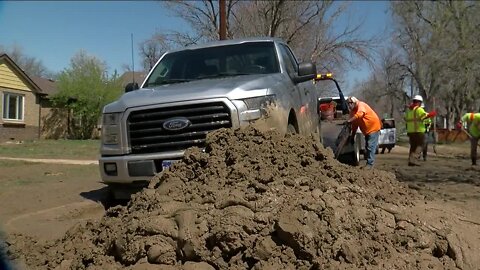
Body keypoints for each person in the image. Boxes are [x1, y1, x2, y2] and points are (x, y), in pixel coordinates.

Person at [345, 96, 382, 169]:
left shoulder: (361, 105)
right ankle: (369, 163)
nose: (349, 105)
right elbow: (354, 126)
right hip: (367, 131)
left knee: (370, 146)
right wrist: (352, 137)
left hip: (373, 128)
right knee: (367, 147)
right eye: (348, 104)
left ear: (354, 102)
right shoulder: (353, 112)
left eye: (350, 103)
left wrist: (350, 120)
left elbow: (360, 114)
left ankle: (370, 164)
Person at [404, 95, 436, 166]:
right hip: (419, 131)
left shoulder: (409, 111)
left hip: (410, 131)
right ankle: (414, 159)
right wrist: (432, 114)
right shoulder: (419, 109)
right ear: (419, 102)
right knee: (421, 145)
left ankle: (411, 160)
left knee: (413, 146)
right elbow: (424, 116)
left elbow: (405, 118)